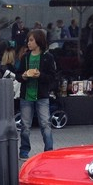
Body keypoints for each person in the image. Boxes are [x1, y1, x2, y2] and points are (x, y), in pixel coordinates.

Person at [15, 28, 56, 160]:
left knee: (45, 124)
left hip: (42, 95)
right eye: (28, 40)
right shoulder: (25, 57)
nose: (28, 43)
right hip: (26, 96)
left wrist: (40, 75)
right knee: (25, 126)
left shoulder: (47, 57)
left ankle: (49, 150)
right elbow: (18, 75)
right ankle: (24, 151)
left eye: (31, 40)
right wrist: (23, 76)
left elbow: (52, 77)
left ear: (38, 41)